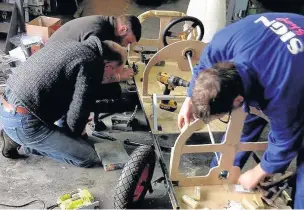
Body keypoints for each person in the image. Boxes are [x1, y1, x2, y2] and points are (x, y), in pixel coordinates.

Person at [178, 12, 304, 208]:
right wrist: (189, 99)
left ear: (238, 99)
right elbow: (204, 66)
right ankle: (221, 175)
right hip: (276, 50)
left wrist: (259, 171)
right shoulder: (223, 42)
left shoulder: (282, 90)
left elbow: (287, 140)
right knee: (246, 121)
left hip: (292, 70)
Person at [0, 36, 126, 168]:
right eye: (115, 72)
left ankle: (17, 136)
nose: (112, 77)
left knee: (77, 136)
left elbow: (71, 97)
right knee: (89, 156)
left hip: (9, 106)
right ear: (108, 65)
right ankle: (25, 143)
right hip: (24, 121)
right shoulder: (91, 63)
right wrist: (75, 135)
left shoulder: (72, 45)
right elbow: (80, 107)